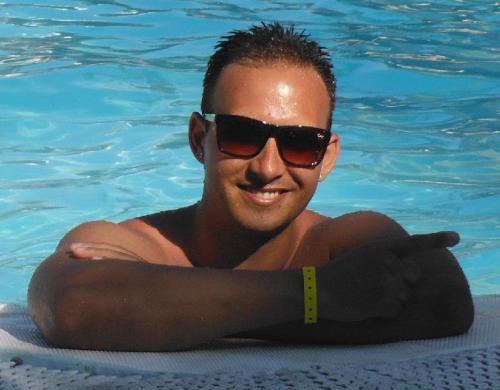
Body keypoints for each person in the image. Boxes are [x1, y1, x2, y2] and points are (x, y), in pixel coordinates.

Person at [28, 23, 474, 351]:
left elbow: (445, 301)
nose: (268, 167)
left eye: (301, 143)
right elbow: (71, 304)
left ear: (327, 157)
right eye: (242, 135)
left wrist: (174, 313)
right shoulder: (133, 242)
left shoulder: (344, 238)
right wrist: (319, 295)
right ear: (200, 139)